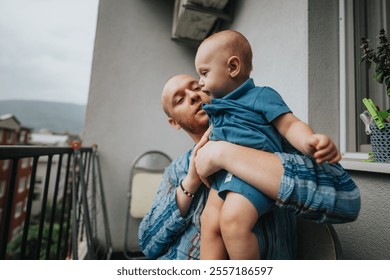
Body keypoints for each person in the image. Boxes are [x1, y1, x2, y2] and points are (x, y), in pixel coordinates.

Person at [138, 74, 360, 260]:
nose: (194, 95)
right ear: (174, 123)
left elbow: (346, 200)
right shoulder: (177, 169)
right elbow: (148, 243)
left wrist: (223, 154)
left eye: (197, 87)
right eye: (180, 99)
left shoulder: (271, 141)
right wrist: (191, 182)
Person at [193, 30, 359, 260]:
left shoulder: (261, 96)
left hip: (250, 174)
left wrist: (310, 141)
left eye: (204, 73)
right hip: (224, 177)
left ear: (232, 67)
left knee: (233, 222)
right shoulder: (218, 107)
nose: (200, 83)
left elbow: (290, 125)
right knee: (209, 222)